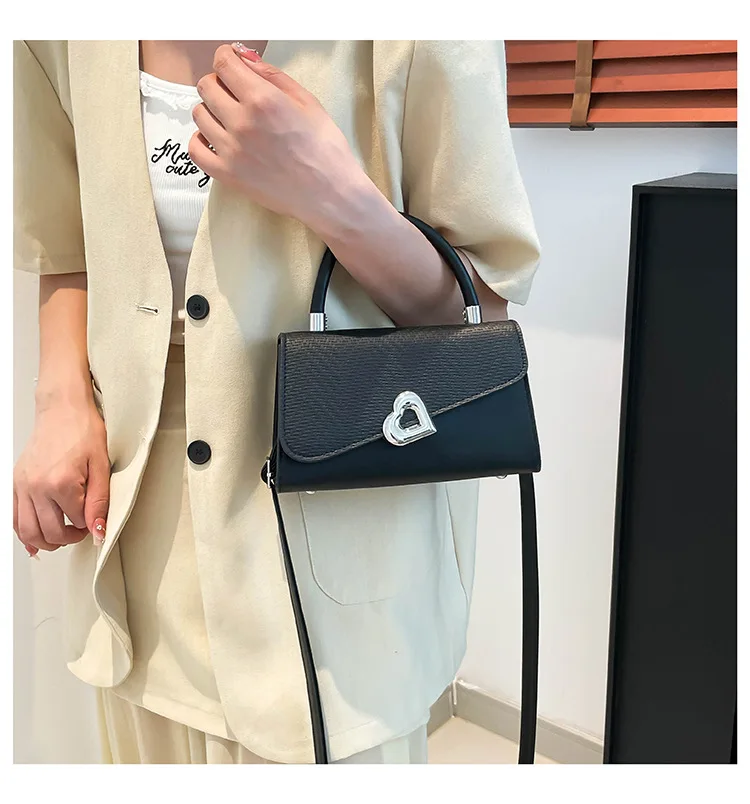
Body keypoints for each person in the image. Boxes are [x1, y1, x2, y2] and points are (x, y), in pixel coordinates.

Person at [13, 39, 540, 764]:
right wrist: (60, 402)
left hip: (341, 584)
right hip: (135, 563)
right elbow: (67, 244)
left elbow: (481, 312)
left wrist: (331, 193)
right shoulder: (56, 37)